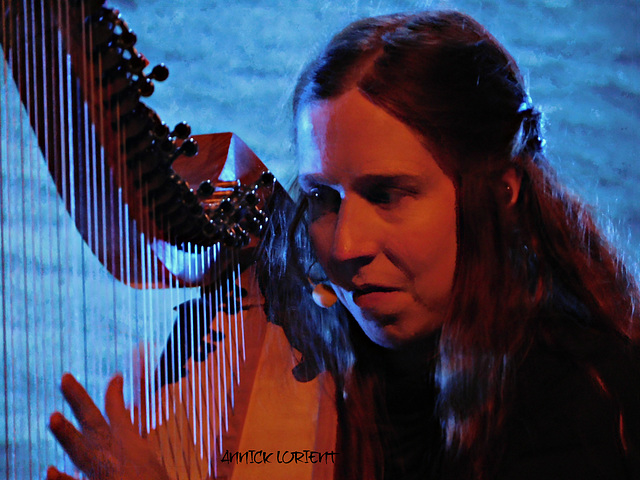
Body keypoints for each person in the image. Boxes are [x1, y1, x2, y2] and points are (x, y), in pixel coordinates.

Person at [48, 10, 640, 480]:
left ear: (499, 193)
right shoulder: (312, 334)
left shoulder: (585, 402)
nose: (347, 245)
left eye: (387, 195)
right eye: (325, 200)